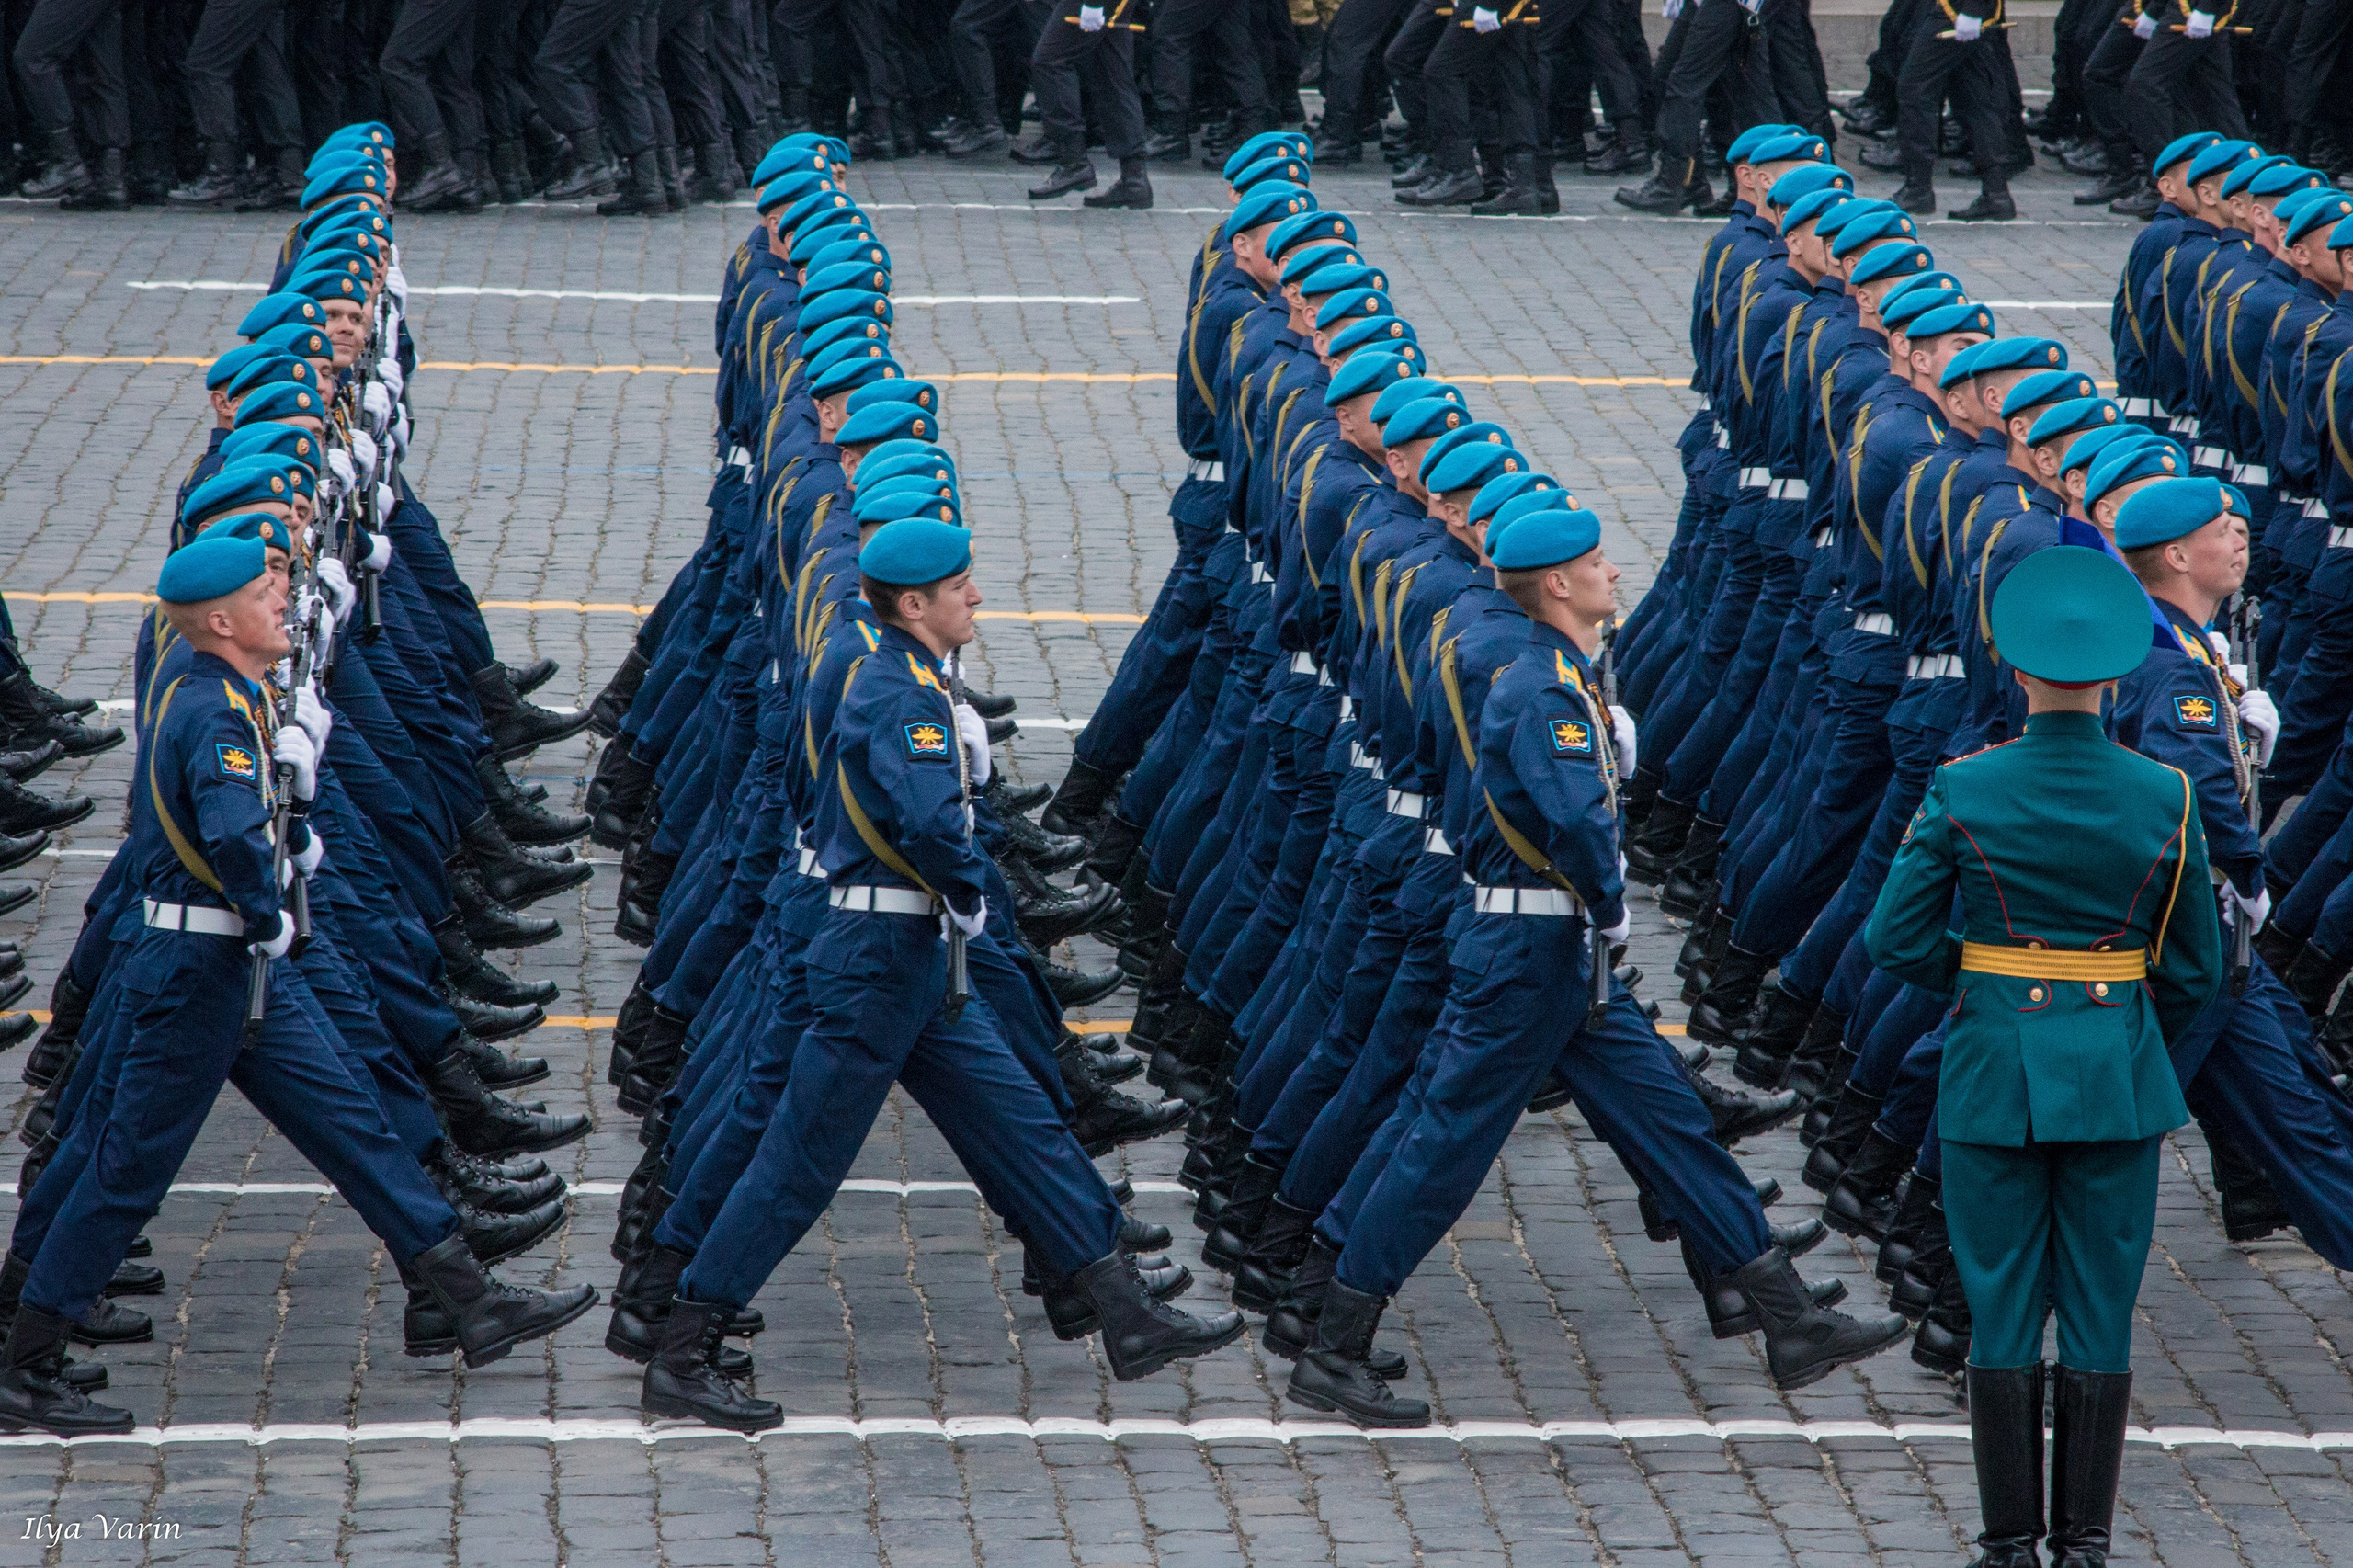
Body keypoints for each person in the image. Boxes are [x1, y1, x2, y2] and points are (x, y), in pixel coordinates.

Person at [1867, 545, 2222, 1568]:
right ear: (2112, 676)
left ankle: (2009, 1538)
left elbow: (1894, 937)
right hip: (2114, 1064)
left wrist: (1983, 990)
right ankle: (2086, 1541)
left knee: (2002, 1303)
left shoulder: (1964, 786)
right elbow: (2195, 963)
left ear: (2016, 670)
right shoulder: (2163, 795)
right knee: (2101, 1309)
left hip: (1992, 1064)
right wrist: (2112, 1015)